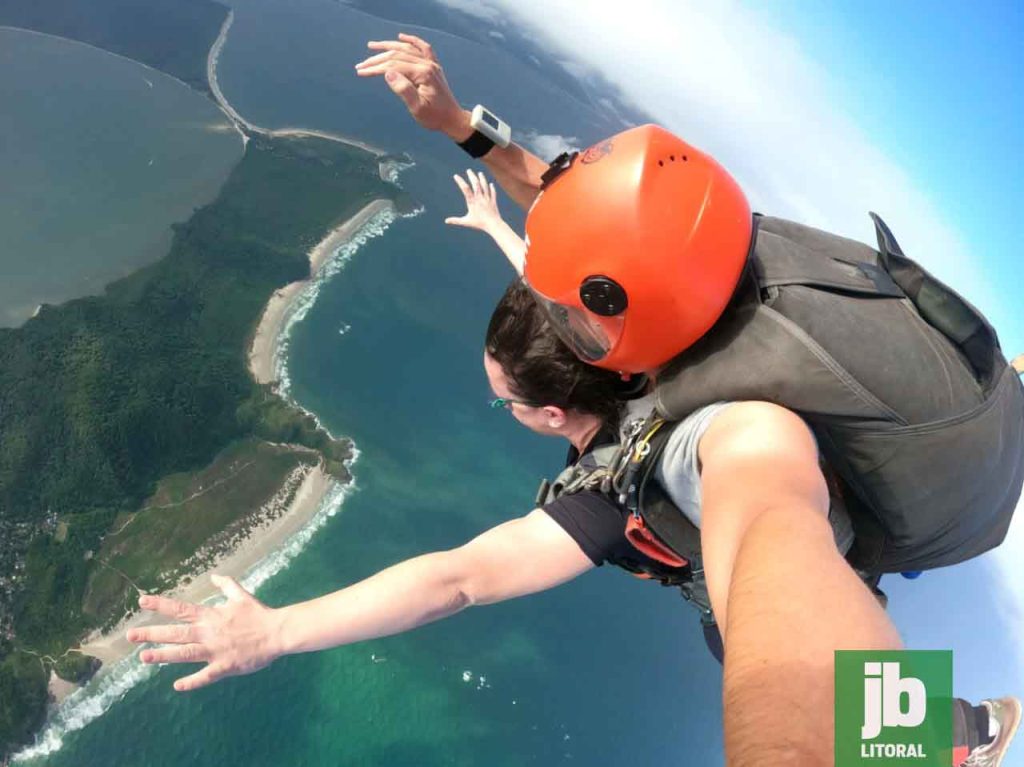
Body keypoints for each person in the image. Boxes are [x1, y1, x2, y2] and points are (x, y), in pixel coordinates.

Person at [354, 35, 1024, 766]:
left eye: (574, 318)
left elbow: (775, 535)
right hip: (963, 391)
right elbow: (583, 232)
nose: (565, 326)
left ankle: (956, 732)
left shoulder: (735, 421)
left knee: (740, 623)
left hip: (902, 497)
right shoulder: (708, 251)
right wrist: (457, 124)